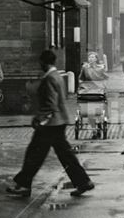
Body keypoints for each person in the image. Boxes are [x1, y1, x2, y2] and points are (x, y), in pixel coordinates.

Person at [6, 49, 95, 198]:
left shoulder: (49, 79)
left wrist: (38, 118)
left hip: (50, 124)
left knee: (34, 154)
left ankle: (24, 185)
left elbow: (50, 104)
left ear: (44, 62)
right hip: (58, 121)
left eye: (40, 62)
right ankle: (83, 182)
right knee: (64, 155)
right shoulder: (57, 76)